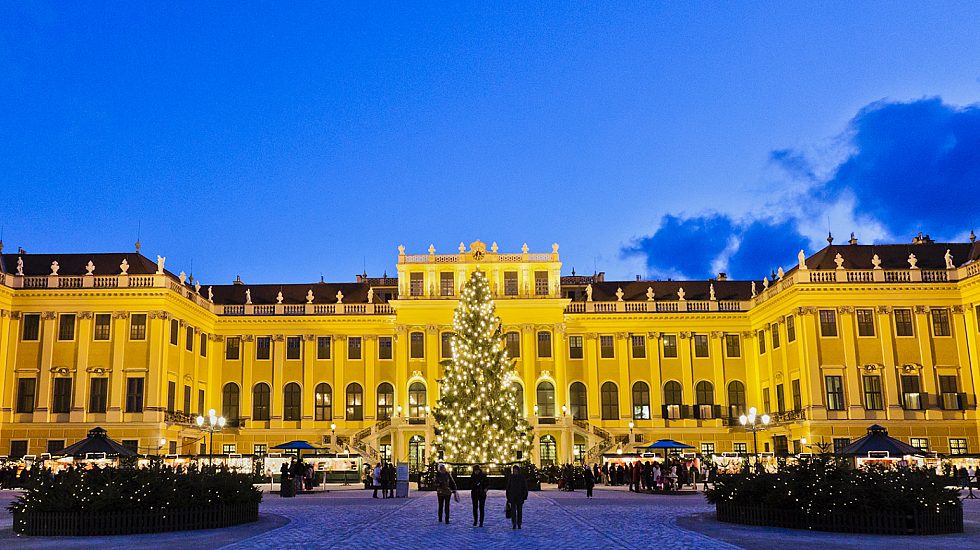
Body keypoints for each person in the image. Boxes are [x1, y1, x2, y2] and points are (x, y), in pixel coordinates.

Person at [506, 464, 529, 529]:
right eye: (514, 470)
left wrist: (525, 495)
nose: (515, 472)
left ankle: (519, 523)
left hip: (520, 496)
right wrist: (508, 496)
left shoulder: (521, 477)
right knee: (513, 511)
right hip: (513, 496)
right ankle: (514, 523)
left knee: (519, 511)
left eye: (516, 470)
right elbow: (508, 487)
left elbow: (525, 487)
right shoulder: (511, 477)